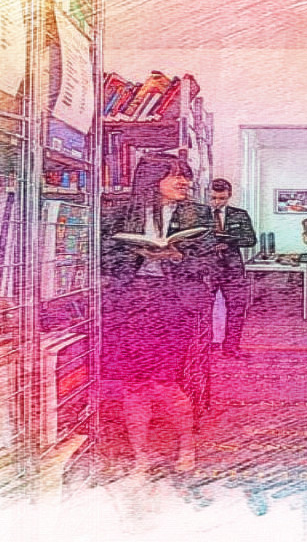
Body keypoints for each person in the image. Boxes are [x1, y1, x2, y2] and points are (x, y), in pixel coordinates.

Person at [99, 152, 217, 478]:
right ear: (152, 180)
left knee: (166, 382)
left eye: (186, 175)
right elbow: (105, 260)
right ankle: (141, 455)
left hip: (174, 304)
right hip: (131, 305)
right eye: (175, 175)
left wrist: (176, 256)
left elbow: (210, 263)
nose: (184, 182)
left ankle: (186, 446)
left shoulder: (199, 215)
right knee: (134, 384)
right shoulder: (120, 215)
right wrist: (139, 254)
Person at [208, 178, 257, 358]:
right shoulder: (199, 215)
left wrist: (229, 242)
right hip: (207, 269)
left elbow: (250, 240)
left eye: (222, 198)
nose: (217, 202)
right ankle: (205, 346)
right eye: (213, 198)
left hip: (232, 269)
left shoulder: (239, 215)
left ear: (229, 196)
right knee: (203, 309)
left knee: (236, 308)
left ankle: (231, 347)